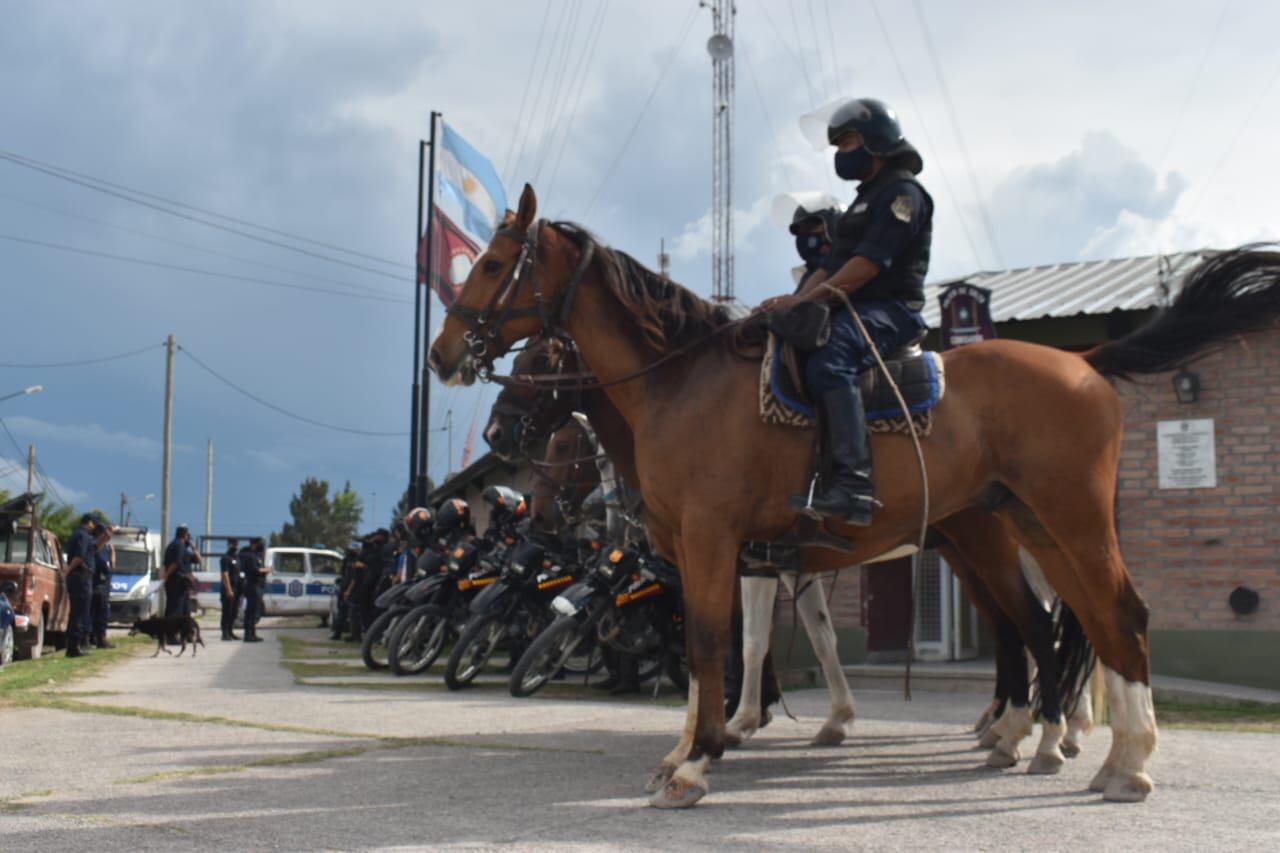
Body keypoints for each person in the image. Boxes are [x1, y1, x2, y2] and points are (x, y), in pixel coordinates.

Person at [759, 98, 933, 525]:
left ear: (875, 141)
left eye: (847, 141)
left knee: (830, 360)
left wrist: (810, 302)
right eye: (836, 145)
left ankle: (855, 486)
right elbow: (830, 268)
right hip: (855, 303)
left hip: (892, 309)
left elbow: (868, 265)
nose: (841, 152)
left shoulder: (903, 194)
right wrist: (791, 304)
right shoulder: (863, 200)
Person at [64, 513, 98, 658]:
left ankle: (76, 645)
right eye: (94, 524)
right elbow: (79, 557)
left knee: (78, 611)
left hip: (79, 577)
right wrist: (68, 570)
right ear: (88, 522)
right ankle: (74, 647)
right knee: (79, 612)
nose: (94, 527)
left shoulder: (77, 534)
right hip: (80, 577)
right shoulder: (83, 536)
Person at [162, 525, 197, 618]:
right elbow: (176, 562)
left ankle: (180, 630)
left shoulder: (172, 544)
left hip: (175, 581)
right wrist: (166, 575)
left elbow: (197, 559)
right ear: (185, 535)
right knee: (176, 609)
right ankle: (172, 630)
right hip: (177, 581)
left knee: (181, 608)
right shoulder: (180, 546)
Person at [91, 521, 116, 649]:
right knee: (98, 614)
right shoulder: (97, 547)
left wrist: (113, 554)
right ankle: (98, 638)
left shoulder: (106, 548)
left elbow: (111, 567)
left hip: (104, 584)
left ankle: (100, 637)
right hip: (98, 585)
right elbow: (102, 565)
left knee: (103, 613)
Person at [240, 538, 269, 643]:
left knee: (254, 612)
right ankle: (248, 636)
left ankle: (252, 634)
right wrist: (266, 570)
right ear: (254, 545)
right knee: (251, 613)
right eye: (259, 544)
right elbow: (255, 570)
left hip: (258, 587)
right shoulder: (250, 557)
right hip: (253, 587)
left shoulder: (257, 556)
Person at [220, 538, 243, 641]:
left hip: (237, 588)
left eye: (237, 544)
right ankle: (225, 633)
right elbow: (225, 574)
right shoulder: (226, 558)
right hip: (228, 588)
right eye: (234, 544)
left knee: (234, 612)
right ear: (229, 545)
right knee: (227, 611)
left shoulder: (237, 558)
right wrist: (229, 589)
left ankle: (230, 631)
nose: (236, 547)